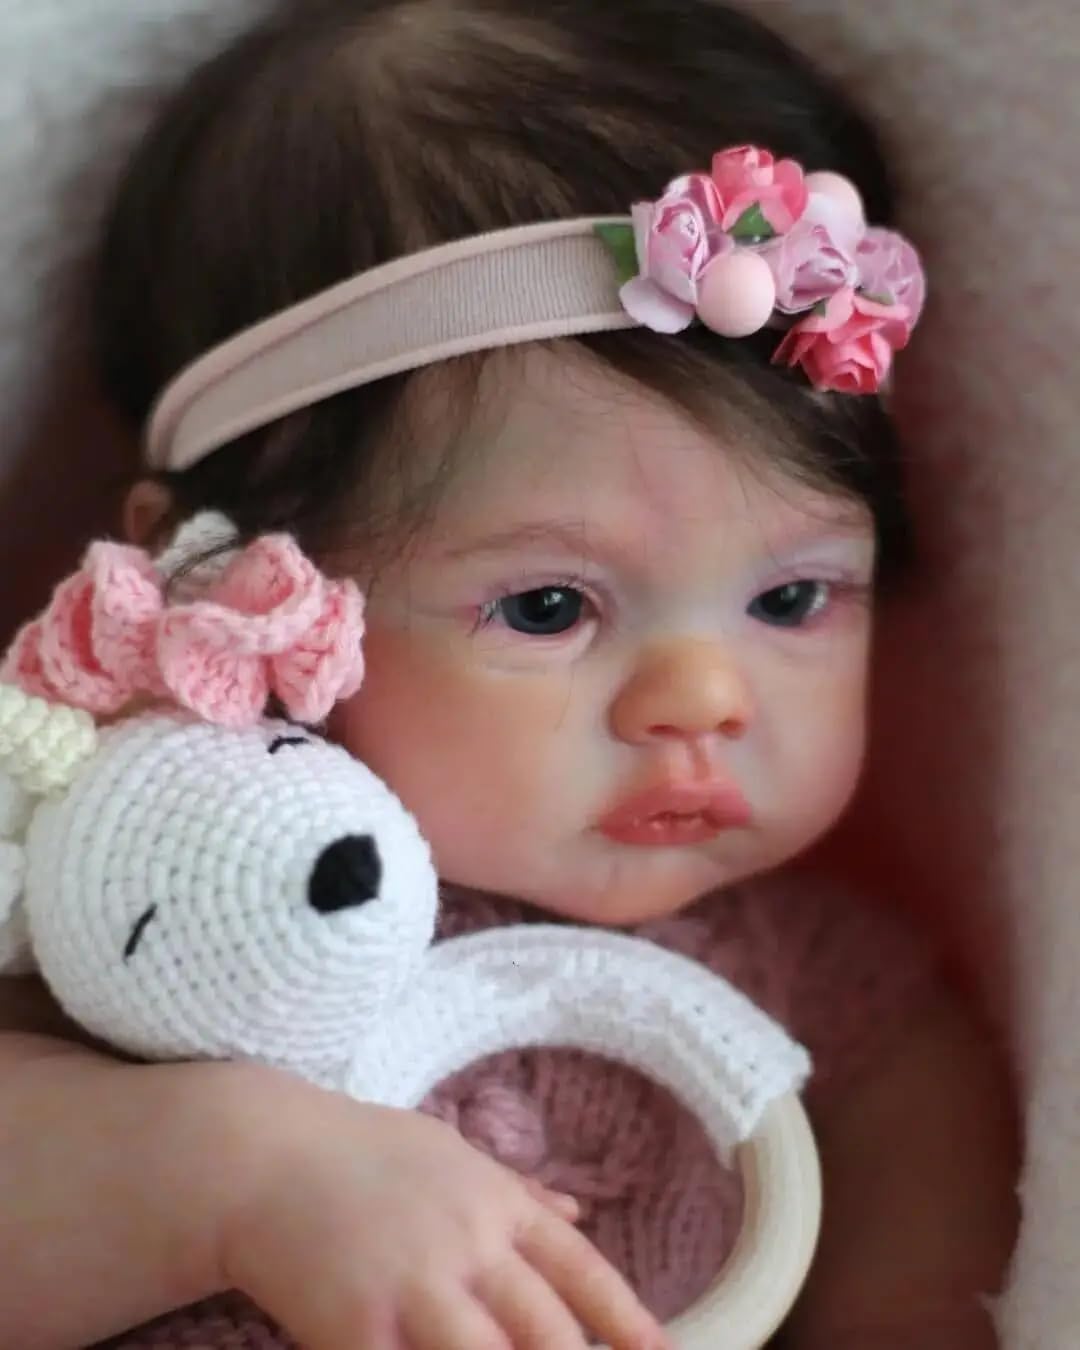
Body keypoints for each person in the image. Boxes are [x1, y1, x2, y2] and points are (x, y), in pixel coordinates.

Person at [0, 1, 1017, 1346]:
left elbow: (934, 1225)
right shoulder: (158, 924)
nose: (703, 699)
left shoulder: (828, 996)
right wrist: (232, 1173)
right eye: (547, 607)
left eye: (791, 597)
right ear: (223, 579)